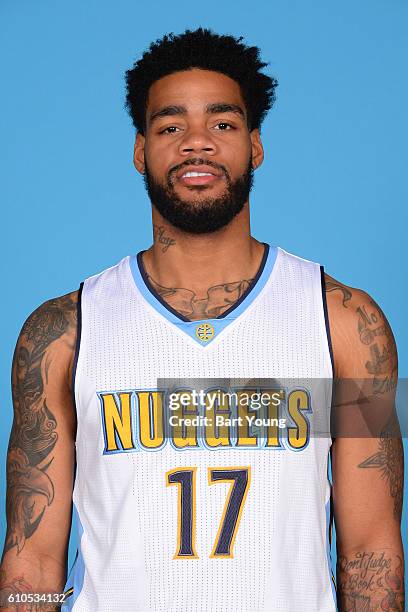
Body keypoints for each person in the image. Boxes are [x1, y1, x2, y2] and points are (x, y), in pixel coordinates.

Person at [0, 28, 404, 612]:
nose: (197, 144)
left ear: (255, 145)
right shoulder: (63, 331)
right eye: (170, 126)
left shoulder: (344, 321)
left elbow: (372, 550)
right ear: (141, 150)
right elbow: (33, 558)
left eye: (222, 124)